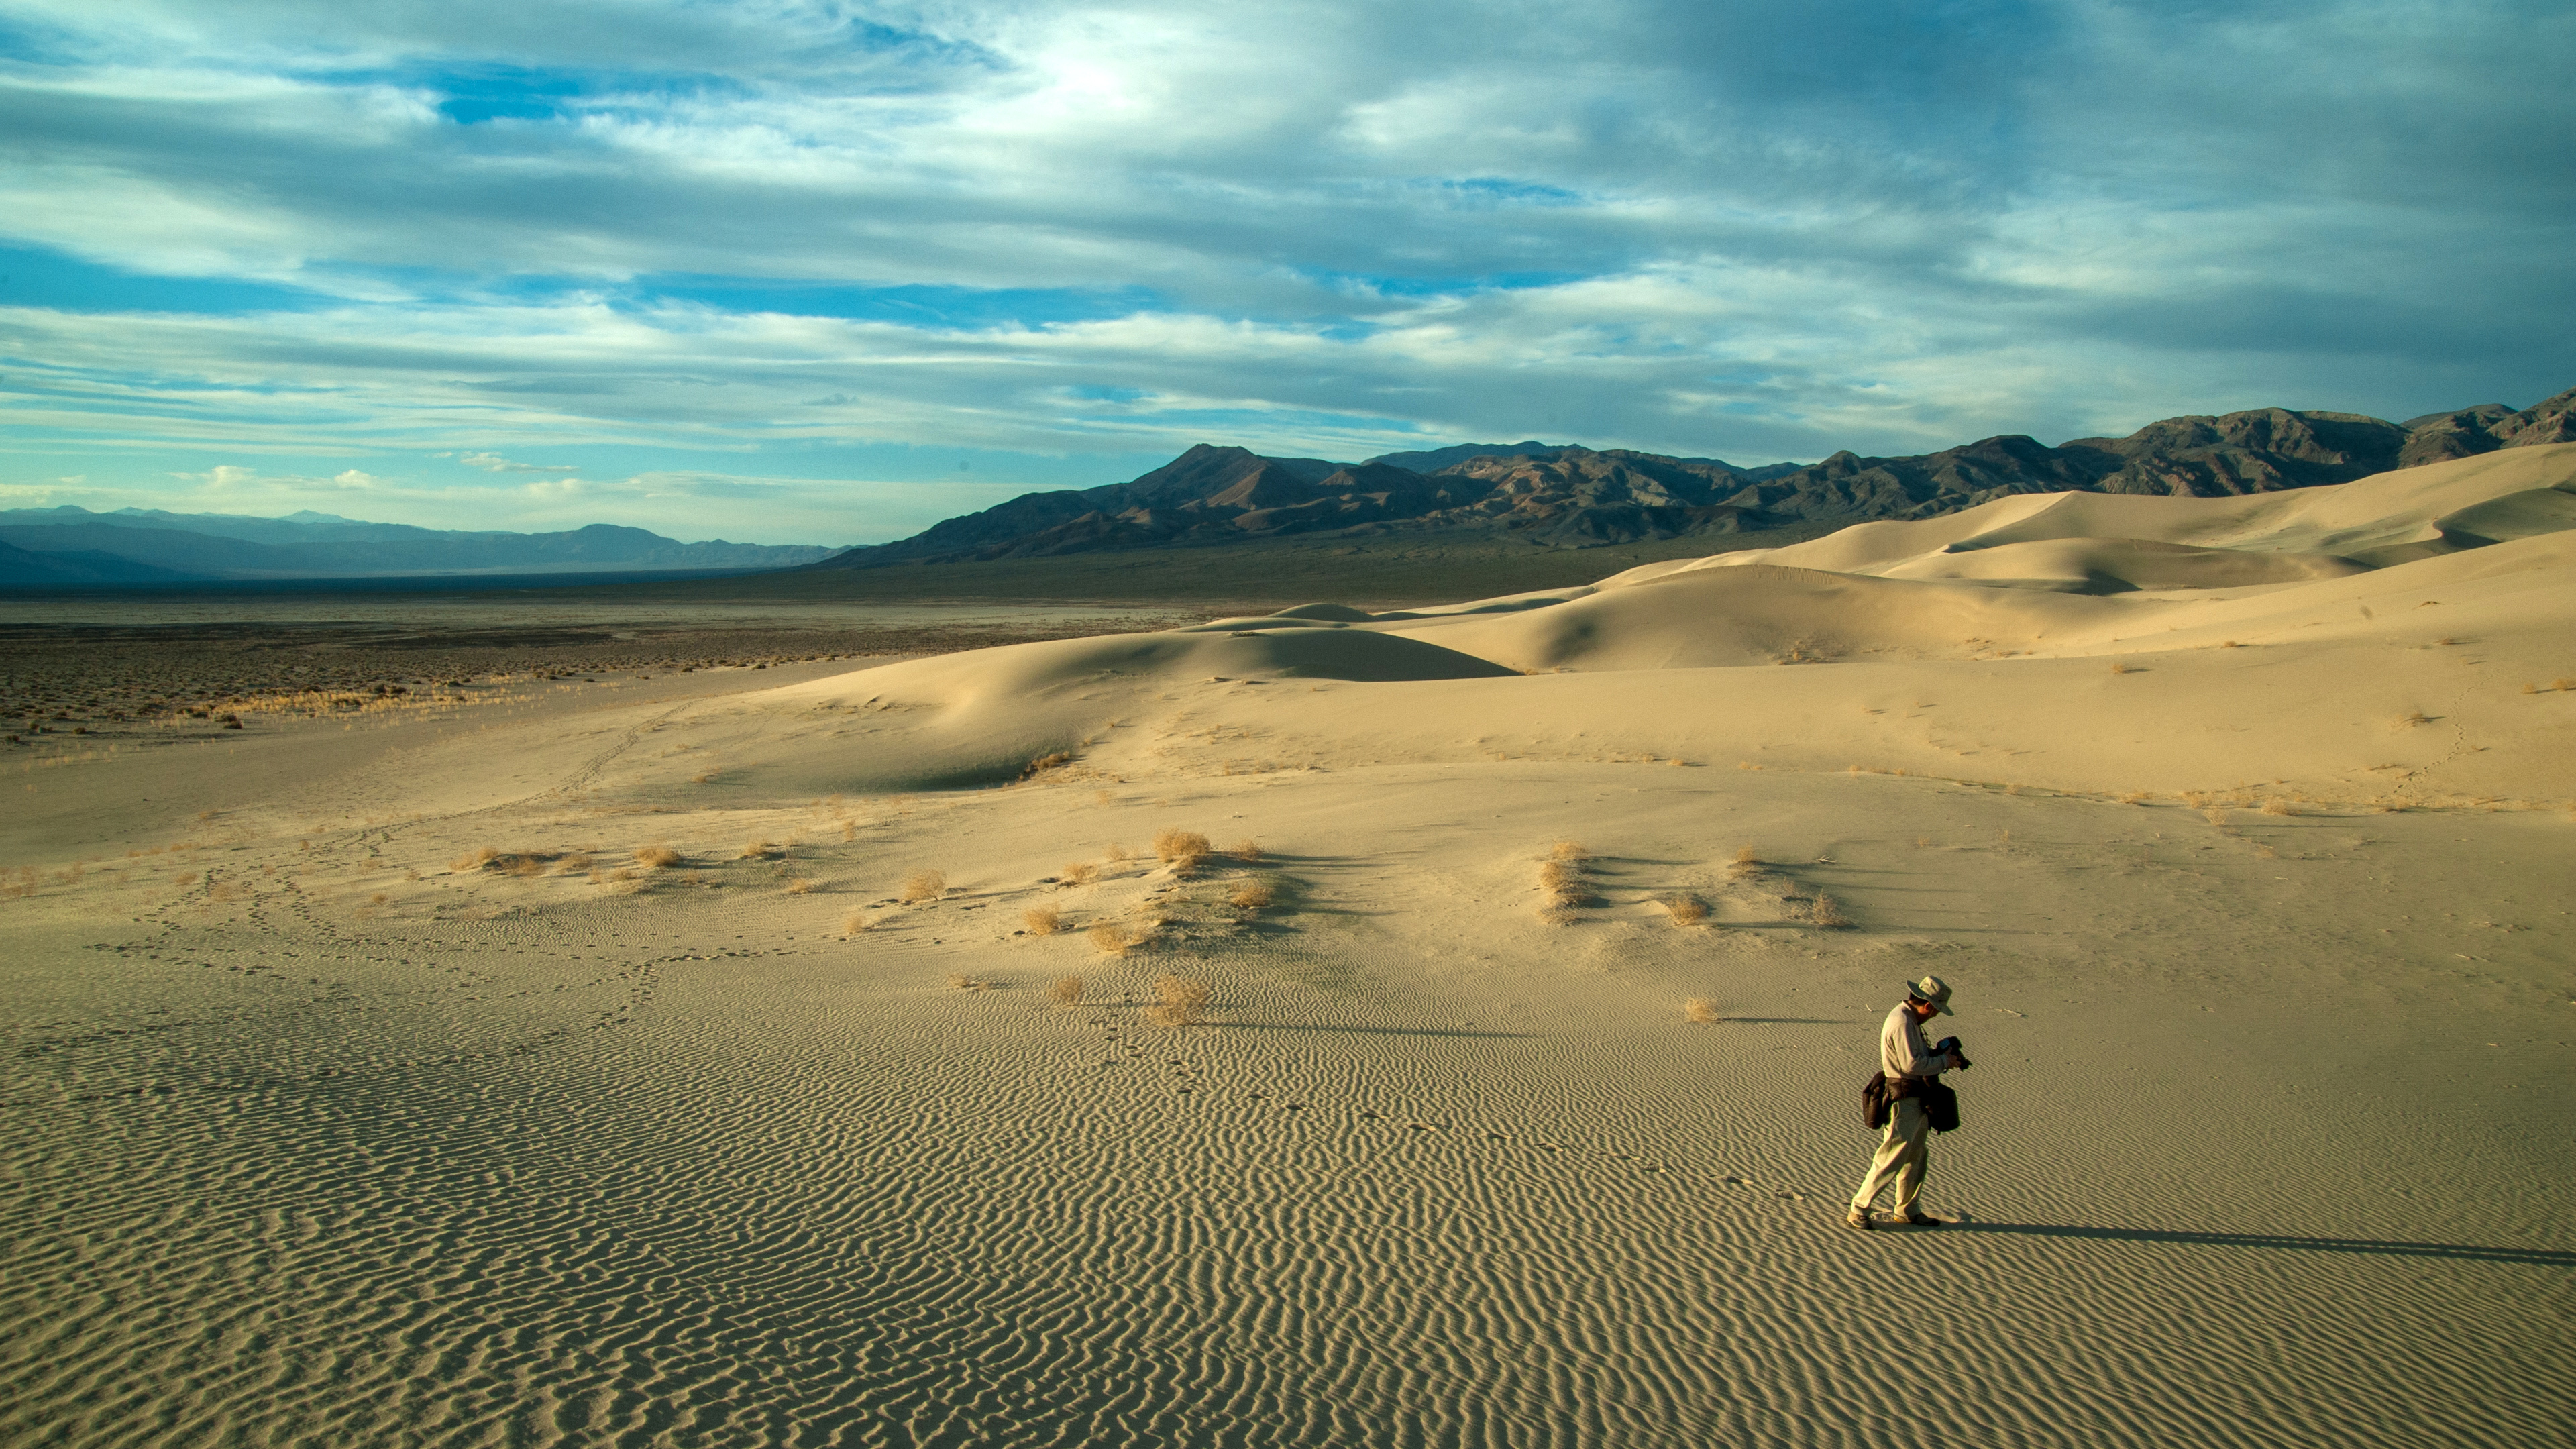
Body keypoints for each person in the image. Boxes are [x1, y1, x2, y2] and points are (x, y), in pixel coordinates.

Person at [1847, 975, 1962, 1230]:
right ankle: (1859, 1208)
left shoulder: (1909, 1020)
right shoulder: (1902, 1022)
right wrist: (1945, 1061)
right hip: (1904, 1099)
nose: (1935, 1016)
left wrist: (1938, 1055)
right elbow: (1912, 1065)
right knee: (1891, 1156)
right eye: (1936, 1011)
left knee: (1916, 1155)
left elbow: (1917, 1057)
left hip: (1917, 1098)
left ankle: (1907, 1210)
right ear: (1928, 1005)